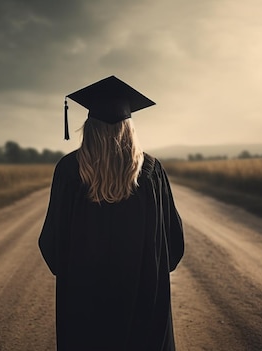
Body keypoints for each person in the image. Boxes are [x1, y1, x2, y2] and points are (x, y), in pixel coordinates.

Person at [39, 75, 184, 351]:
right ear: (129, 127)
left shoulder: (69, 171)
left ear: (88, 127)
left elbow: (52, 247)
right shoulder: (152, 173)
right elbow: (173, 247)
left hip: (84, 308)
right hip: (144, 307)